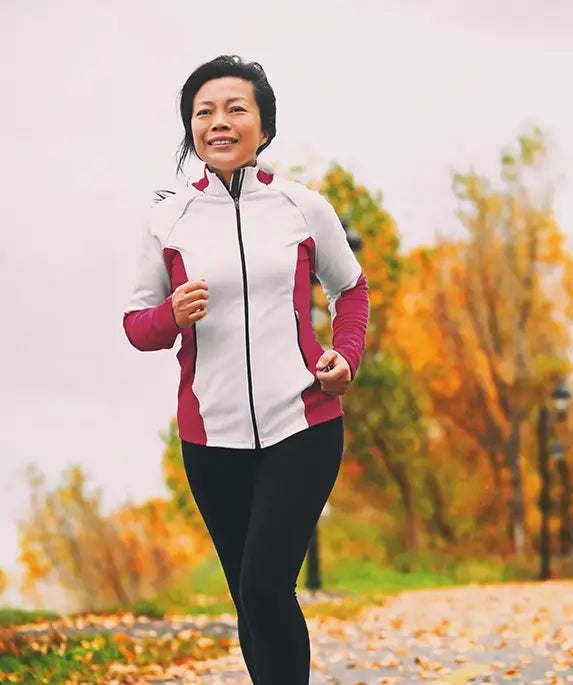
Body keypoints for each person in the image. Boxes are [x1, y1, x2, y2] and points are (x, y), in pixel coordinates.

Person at [122, 55, 369, 684]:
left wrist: (346, 357)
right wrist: (172, 315)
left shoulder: (303, 207)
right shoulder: (168, 219)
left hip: (303, 422)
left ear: (264, 125)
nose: (219, 122)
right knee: (249, 598)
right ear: (191, 130)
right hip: (210, 435)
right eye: (204, 112)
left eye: (236, 109)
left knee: (264, 584)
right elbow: (137, 326)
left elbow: (352, 290)